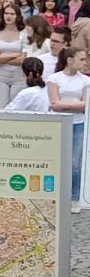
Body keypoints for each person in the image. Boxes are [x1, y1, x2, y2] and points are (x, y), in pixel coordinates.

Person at [47, 45, 90, 213]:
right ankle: (54, 194)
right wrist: (73, 106)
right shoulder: (55, 78)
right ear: (69, 60)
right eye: (81, 59)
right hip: (58, 123)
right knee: (55, 160)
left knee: (75, 163)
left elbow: (86, 105)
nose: (85, 63)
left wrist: (64, 105)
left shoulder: (85, 81)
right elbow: (54, 103)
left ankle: (74, 197)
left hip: (78, 123)